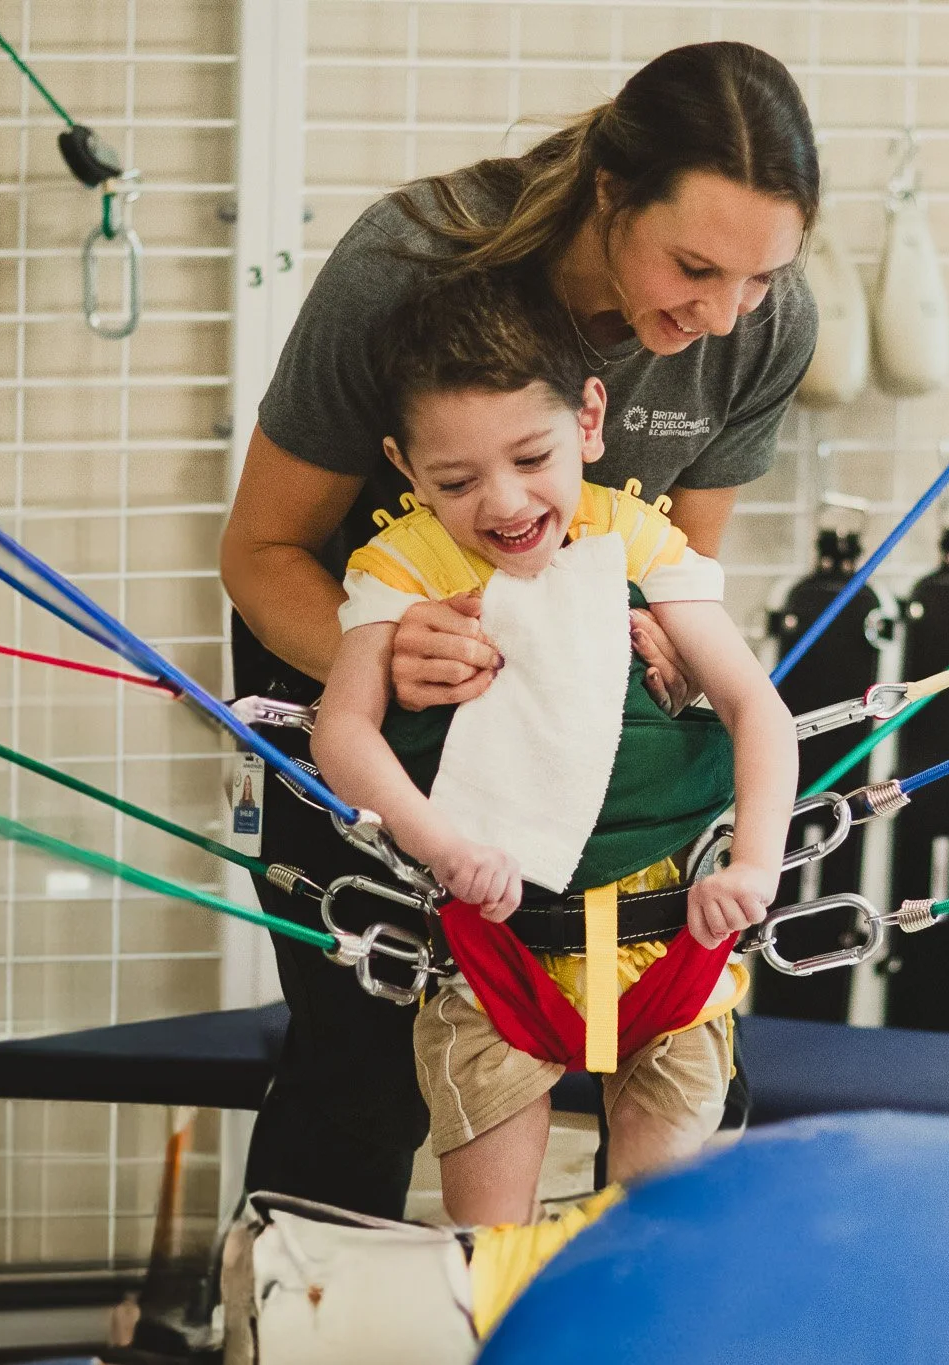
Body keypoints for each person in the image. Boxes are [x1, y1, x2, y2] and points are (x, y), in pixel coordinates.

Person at [220, 40, 820, 1219]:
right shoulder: (407, 266)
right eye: (693, 267)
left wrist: (669, 658)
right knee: (368, 1061)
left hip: (582, 701)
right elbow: (260, 556)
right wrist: (387, 666)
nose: (719, 316)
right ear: (608, 191)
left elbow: (683, 565)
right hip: (379, 667)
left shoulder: (758, 322)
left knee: (690, 1066)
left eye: (758, 279)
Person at [311, 268, 797, 1224]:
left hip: (671, 935)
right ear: (404, 468)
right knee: (489, 1248)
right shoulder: (403, 564)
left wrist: (755, 864)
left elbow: (756, 706)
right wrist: (441, 845)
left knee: (657, 1245)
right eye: (454, 480)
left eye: (531, 456)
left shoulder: (640, 540)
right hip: (496, 946)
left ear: (589, 420)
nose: (502, 502)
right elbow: (342, 732)